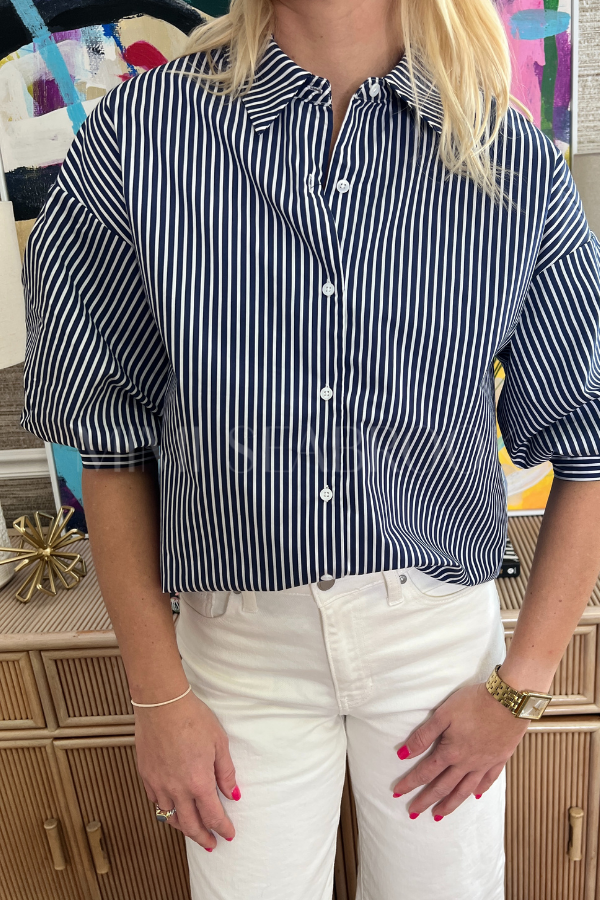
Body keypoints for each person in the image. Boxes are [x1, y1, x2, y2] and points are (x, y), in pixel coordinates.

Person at [19, 0, 600, 897]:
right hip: (236, 649)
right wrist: (158, 696)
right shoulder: (143, 136)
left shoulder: (505, 156)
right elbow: (111, 444)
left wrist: (520, 691)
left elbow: (590, 444)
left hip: (434, 642)